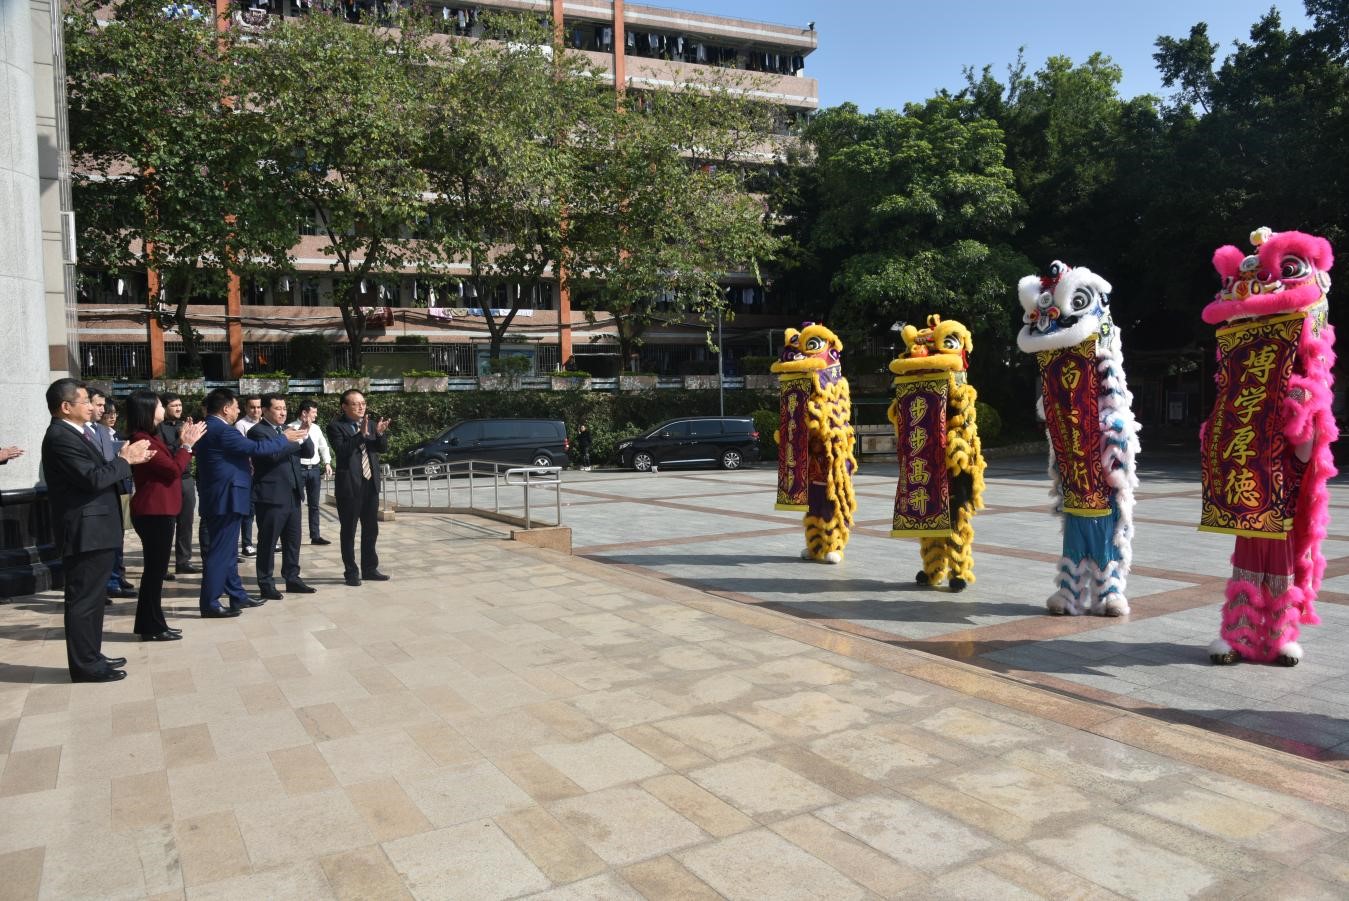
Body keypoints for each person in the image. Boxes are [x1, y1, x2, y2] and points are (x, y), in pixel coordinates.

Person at [40, 378, 154, 682]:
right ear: (66, 407)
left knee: (93, 599)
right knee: (84, 601)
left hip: (97, 528)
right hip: (84, 531)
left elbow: (99, 473)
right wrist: (125, 460)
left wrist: (127, 460)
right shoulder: (60, 437)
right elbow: (92, 478)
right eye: (85, 402)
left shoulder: (78, 433)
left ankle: (92, 654)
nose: (92, 407)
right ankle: (85, 665)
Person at [194, 387, 307, 617]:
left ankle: (237, 595)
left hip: (223, 496)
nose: (239, 412)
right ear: (226, 409)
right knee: (220, 553)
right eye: (237, 407)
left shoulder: (209, 426)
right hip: (226, 498)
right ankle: (210, 603)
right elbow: (257, 448)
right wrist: (284, 438)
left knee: (227, 552)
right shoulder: (223, 430)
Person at [126, 390, 205, 641]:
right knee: (154, 572)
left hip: (160, 510)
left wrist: (182, 443)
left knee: (156, 572)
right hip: (153, 511)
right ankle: (151, 627)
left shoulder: (151, 436)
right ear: (148, 409)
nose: (163, 408)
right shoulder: (142, 439)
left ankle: (153, 622)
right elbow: (172, 470)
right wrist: (187, 445)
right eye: (160, 405)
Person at [249, 394, 315, 599]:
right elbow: (272, 455)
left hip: (293, 494)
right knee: (268, 542)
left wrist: (305, 433)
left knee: (293, 541)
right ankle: (266, 583)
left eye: (284, 408)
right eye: (278, 408)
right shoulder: (257, 431)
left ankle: (292, 578)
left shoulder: (289, 430)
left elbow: (308, 452)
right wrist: (292, 439)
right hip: (271, 496)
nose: (283, 412)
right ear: (265, 410)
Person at [328, 390, 389, 586]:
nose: (361, 407)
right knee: (349, 530)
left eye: (363, 403)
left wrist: (379, 434)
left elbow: (381, 449)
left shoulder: (371, 423)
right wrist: (360, 435)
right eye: (355, 404)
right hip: (349, 486)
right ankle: (351, 572)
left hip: (370, 483)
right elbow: (342, 451)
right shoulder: (335, 426)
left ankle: (369, 568)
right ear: (344, 407)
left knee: (371, 529)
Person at [88, 389, 136, 600]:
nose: (110, 416)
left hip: (122, 489)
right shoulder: (89, 433)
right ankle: (110, 581)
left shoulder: (113, 434)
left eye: (113, 412)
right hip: (104, 492)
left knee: (120, 536)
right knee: (107, 541)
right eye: (105, 410)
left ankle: (118, 575)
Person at [158, 392, 200, 577]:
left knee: (186, 521)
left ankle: (183, 561)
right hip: (168, 480)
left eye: (180, 405)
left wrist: (192, 435)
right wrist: (182, 439)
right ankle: (162, 564)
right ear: (164, 408)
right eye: (174, 405)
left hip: (186, 478)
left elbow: (193, 450)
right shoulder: (158, 428)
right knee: (167, 524)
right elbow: (165, 452)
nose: (178, 408)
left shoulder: (184, 424)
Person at [290, 399, 333, 545]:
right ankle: (293, 537)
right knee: (295, 505)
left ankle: (315, 536)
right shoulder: (291, 428)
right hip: (298, 469)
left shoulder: (316, 428)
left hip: (314, 469)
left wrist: (327, 462)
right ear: (304, 413)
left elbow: (323, 446)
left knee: (314, 505)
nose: (315, 415)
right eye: (313, 412)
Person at [234, 395, 263, 557]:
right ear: (245, 408)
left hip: (265, 473)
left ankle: (266, 541)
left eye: (258, 407)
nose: (256, 410)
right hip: (250, 473)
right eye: (252, 407)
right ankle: (247, 544)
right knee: (249, 510)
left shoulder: (265, 423)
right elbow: (242, 449)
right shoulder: (241, 425)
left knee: (265, 508)